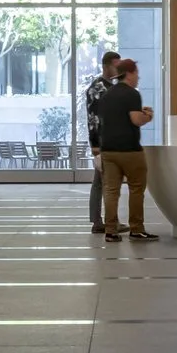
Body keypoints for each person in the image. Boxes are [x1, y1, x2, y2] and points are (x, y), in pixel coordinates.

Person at [96, 58, 156, 242]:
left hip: (108, 150)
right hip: (130, 151)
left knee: (111, 191)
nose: (138, 77)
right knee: (136, 189)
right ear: (129, 74)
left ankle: (111, 231)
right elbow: (136, 120)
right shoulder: (132, 94)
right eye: (136, 73)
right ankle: (136, 229)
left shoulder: (106, 95)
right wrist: (148, 115)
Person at [82, 49, 121, 233]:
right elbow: (92, 118)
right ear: (106, 66)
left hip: (111, 139)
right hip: (103, 141)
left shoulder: (111, 87)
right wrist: (95, 144)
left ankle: (100, 221)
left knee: (103, 181)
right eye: (116, 65)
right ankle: (102, 221)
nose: (118, 69)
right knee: (105, 182)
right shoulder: (97, 88)